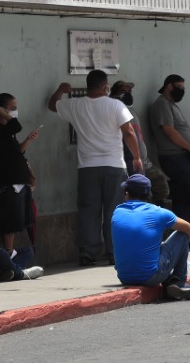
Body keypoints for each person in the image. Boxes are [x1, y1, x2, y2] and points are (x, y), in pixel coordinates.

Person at [46, 70, 143, 266]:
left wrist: (60, 90)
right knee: (115, 211)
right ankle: (114, 253)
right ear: (105, 86)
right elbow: (129, 131)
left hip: (87, 168)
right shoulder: (116, 105)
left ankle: (87, 253)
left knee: (89, 211)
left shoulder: (75, 105)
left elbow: (51, 105)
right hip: (114, 166)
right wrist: (137, 157)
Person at [111, 174, 190, 300]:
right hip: (150, 277)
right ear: (148, 194)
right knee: (181, 236)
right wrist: (180, 250)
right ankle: (178, 282)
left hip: (124, 276)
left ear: (127, 194)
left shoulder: (117, 211)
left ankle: (171, 280)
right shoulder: (158, 212)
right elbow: (188, 228)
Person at [148, 74, 190, 245]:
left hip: (181, 155)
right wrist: (189, 147)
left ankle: (186, 236)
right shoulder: (161, 105)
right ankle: (161, 194)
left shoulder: (172, 105)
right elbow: (168, 130)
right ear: (169, 86)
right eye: (179, 87)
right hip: (173, 156)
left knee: (185, 197)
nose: (182, 91)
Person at [0, 94, 40, 251]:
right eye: (12, 108)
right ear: (0, 109)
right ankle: (8, 252)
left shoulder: (6, 130)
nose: (15, 112)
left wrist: (28, 140)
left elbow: (17, 151)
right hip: (7, 182)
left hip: (18, 181)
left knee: (21, 219)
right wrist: (2, 113)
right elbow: (17, 126)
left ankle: (12, 253)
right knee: (10, 221)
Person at [111, 81, 169, 207]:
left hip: (143, 162)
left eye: (129, 91)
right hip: (130, 162)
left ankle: (156, 214)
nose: (128, 94)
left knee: (160, 184)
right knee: (137, 195)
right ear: (115, 94)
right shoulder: (114, 111)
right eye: (123, 91)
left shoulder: (132, 110)